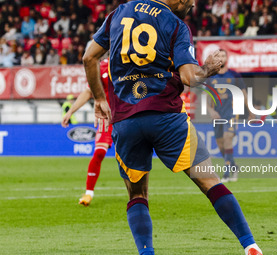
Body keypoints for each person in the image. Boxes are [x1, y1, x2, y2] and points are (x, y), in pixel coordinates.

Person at [83, 0, 263, 255]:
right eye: (190, 1)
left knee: (137, 194)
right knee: (210, 181)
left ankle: (147, 253)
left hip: (126, 119)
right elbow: (190, 78)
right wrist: (208, 69)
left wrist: (100, 99)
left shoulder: (116, 14)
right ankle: (250, 245)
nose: (191, 5)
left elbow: (89, 57)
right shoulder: (176, 24)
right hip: (166, 117)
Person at [62, 59, 112, 206]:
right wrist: (70, 111)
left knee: (130, 157)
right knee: (99, 153)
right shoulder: (102, 66)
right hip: (106, 119)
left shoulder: (130, 62)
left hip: (127, 117)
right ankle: (88, 193)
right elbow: (89, 91)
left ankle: (138, 195)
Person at [207, 50, 253, 183]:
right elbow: (207, 98)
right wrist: (211, 111)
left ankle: (226, 174)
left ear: (227, 58)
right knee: (221, 145)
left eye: (223, 56)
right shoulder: (211, 77)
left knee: (228, 138)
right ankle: (233, 166)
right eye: (219, 56)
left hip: (232, 113)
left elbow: (243, 94)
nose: (221, 58)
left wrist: (250, 111)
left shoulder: (234, 75)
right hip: (217, 115)